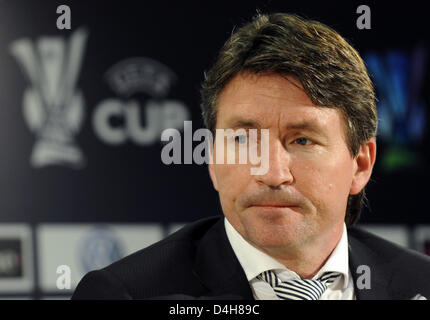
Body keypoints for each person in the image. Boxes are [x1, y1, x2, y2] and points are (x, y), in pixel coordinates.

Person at [72, 12, 430, 300]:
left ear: (361, 164)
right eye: (243, 140)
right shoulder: (125, 294)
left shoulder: (421, 285)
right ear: (213, 158)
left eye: (302, 140)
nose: (272, 173)